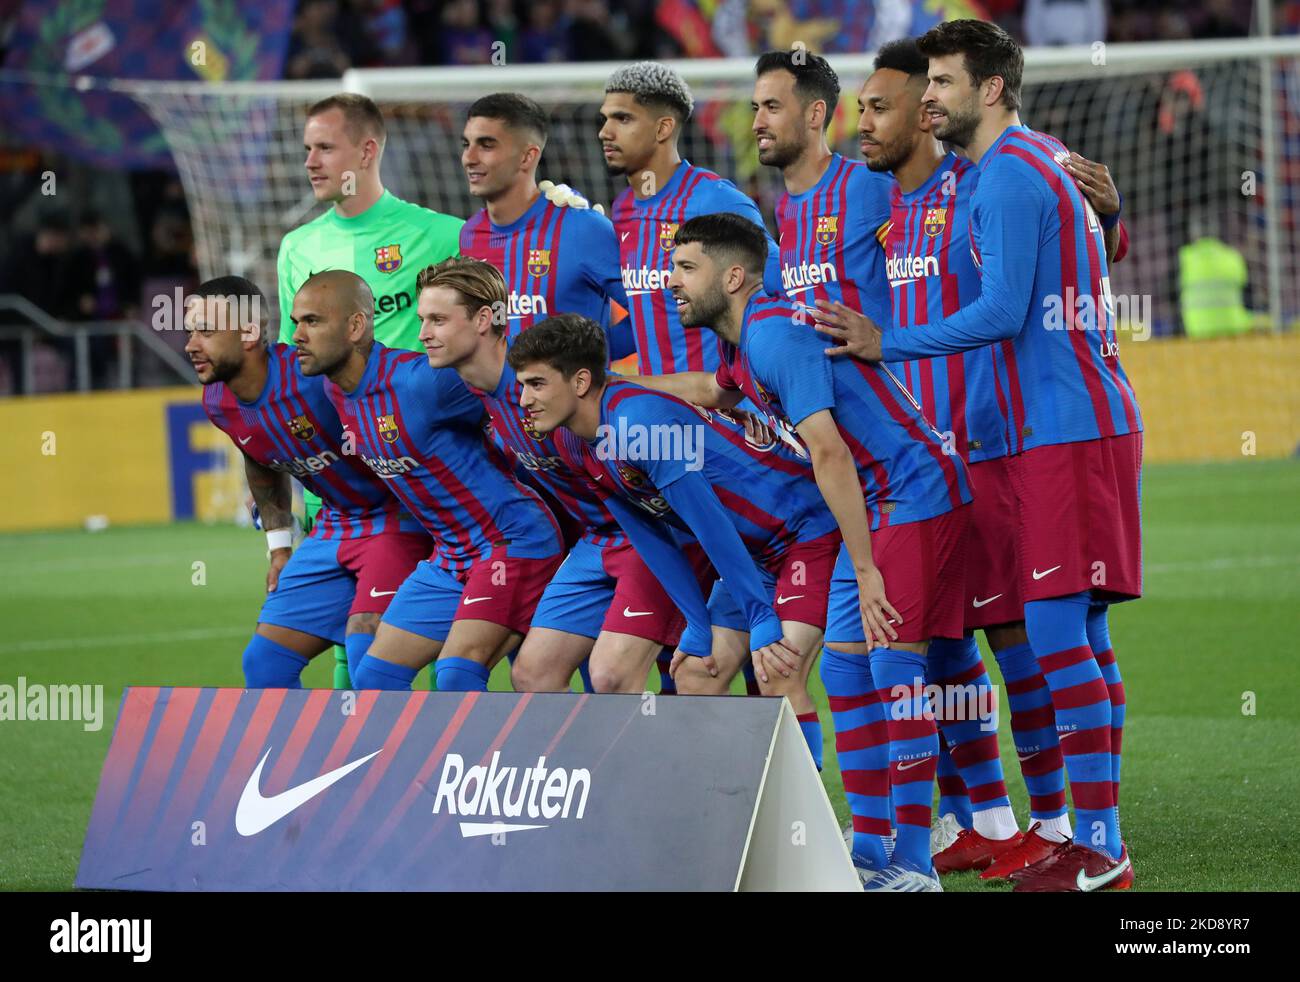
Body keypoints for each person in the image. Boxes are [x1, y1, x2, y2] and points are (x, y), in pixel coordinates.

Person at [816, 19, 1141, 892]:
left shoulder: (1002, 179)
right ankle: (1050, 829)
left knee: (1044, 633)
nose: (926, 101)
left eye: (940, 85)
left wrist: (887, 344)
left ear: (989, 89)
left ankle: (1088, 839)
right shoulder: (1014, 168)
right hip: (1022, 438)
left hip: (1042, 431)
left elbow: (1003, 309)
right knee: (1052, 633)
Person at [636, 213, 971, 890]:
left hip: (912, 493)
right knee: (847, 675)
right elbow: (712, 392)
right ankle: (873, 849)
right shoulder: (738, 342)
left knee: (894, 671)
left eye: (686, 268)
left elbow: (829, 450)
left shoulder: (774, 337)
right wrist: (617, 389)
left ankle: (916, 861)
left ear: (733, 277)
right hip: (872, 506)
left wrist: (869, 567)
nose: (671, 282)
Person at [508, 313, 844, 770]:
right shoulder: (572, 439)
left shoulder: (639, 424)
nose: (524, 399)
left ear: (581, 380)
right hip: (754, 553)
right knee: (693, 674)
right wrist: (696, 623)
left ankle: (811, 834)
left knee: (776, 670)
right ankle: (725, 822)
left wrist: (759, 614)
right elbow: (649, 532)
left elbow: (710, 527)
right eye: (522, 385)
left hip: (805, 531)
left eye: (536, 384)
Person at [416, 256, 694, 693]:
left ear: (485, 320)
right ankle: (583, 763)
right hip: (595, 539)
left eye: (436, 320)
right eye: (422, 320)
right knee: (531, 675)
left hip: (651, 532)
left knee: (618, 676)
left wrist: (722, 390)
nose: (423, 334)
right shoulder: (472, 390)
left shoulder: (540, 377)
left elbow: (626, 389)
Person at [298, 269, 564, 692]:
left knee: (457, 675)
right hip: (449, 555)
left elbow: (522, 388)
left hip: (512, 542)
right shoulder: (336, 393)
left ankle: (491, 760)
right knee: (373, 676)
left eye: (310, 322)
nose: (297, 334)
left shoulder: (426, 381)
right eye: (296, 323)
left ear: (354, 327)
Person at [276, 92, 463, 687]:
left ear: (367, 150)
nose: (311, 161)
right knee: (346, 647)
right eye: (307, 149)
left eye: (325, 148)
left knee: (410, 641)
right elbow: (292, 370)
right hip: (341, 481)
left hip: (420, 472)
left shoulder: (440, 236)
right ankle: (352, 774)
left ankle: (433, 766)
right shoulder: (297, 249)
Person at [187, 275, 429, 687]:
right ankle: (294, 755)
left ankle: (395, 753)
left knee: (365, 653)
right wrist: (279, 548)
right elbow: (260, 461)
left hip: (399, 516)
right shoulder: (218, 402)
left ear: (249, 332)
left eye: (206, 331)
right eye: (191, 331)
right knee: (265, 663)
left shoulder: (315, 377)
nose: (192, 345)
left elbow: (403, 398)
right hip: (337, 524)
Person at [458, 92, 634, 351]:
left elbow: (655, 314)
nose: (469, 158)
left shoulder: (583, 229)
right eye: (466, 144)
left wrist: (591, 355)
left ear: (527, 157)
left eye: (486, 145)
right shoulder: (470, 234)